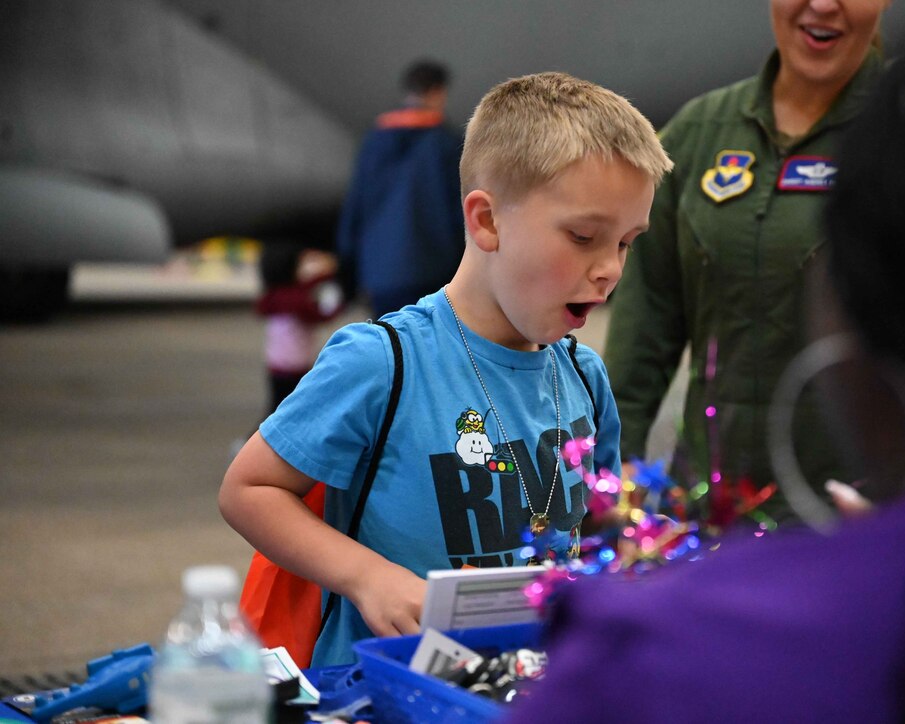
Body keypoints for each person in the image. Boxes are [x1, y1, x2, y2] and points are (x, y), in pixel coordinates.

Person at [507, 0, 905, 720]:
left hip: (856, 528)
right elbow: (645, 332)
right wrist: (604, 485)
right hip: (708, 527)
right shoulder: (696, 135)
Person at [220, 71, 672, 667]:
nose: (610, 268)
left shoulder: (585, 377)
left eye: (625, 243)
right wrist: (366, 577)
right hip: (386, 690)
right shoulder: (383, 362)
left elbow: (602, 533)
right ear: (486, 222)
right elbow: (248, 489)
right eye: (585, 236)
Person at [604, 0, 892, 523]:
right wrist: (611, 474)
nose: (823, 5)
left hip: (858, 516)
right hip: (710, 513)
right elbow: (643, 328)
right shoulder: (699, 134)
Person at [335, 59, 464, 318]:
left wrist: (347, 269)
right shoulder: (446, 144)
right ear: (438, 92)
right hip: (434, 274)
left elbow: (355, 208)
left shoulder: (373, 141)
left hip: (380, 275)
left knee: (392, 349)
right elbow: (459, 212)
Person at [255, 240, 343, 416]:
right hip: (294, 367)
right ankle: (253, 441)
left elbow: (307, 287)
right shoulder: (294, 298)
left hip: (277, 364)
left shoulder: (275, 295)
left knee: (278, 407)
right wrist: (337, 305)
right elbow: (318, 315)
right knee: (285, 410)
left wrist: (325, 275)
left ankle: (254, 441)